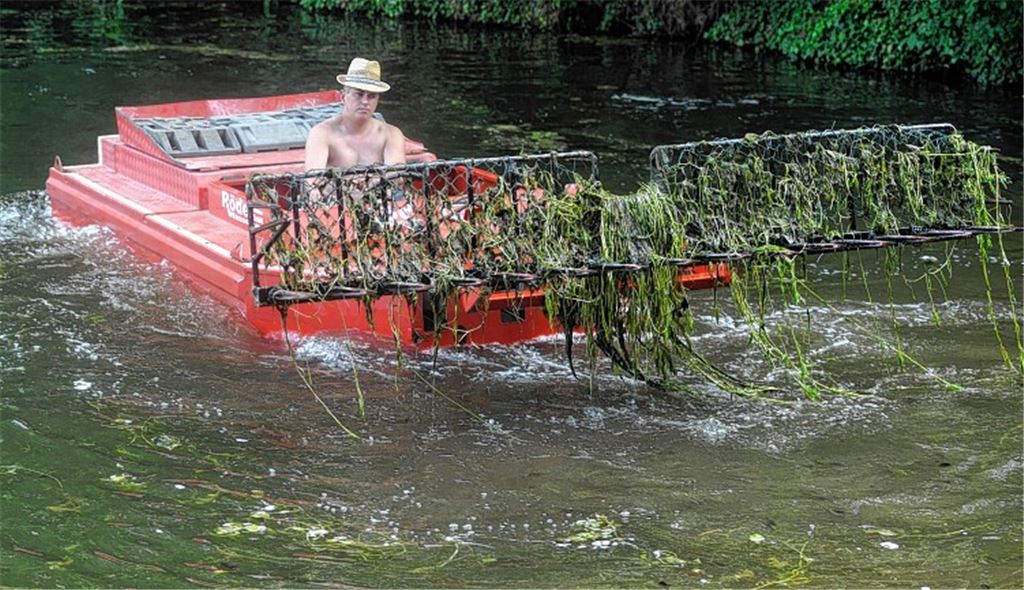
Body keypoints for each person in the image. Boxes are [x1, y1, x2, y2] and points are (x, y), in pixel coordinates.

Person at [304, 57, 407, 171]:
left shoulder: (391, 135)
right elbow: (313, 180)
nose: (365, 101)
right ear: (343, 97)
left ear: (377, 100)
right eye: (359, 94)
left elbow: (396, 179)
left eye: (371, 96)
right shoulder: (322, 134)